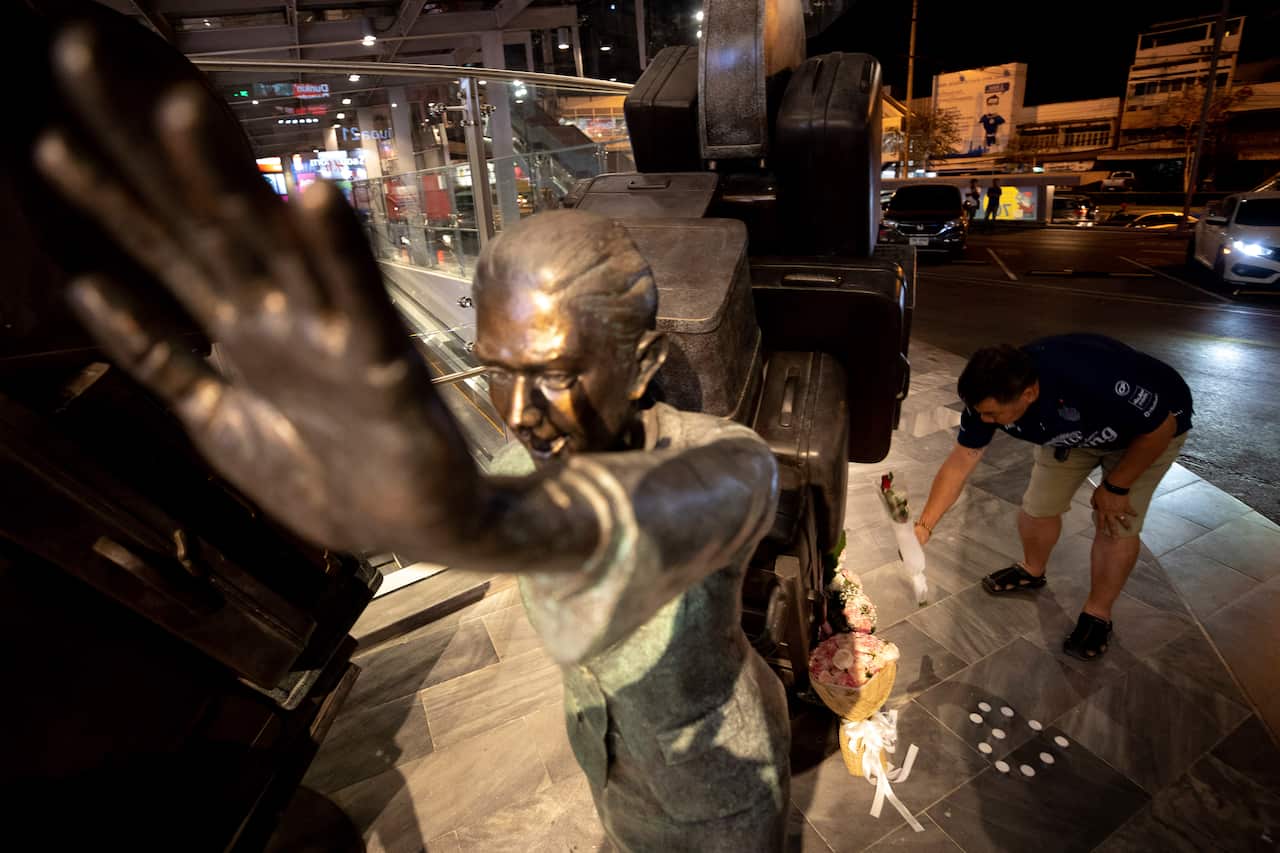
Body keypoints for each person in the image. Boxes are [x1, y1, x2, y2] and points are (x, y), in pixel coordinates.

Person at [32, 19, 790, 851]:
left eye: (558, 373)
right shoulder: (527, 457)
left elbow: (615, 542)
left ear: (643, 362)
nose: (518, 411)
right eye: (497, 368)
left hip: (720, 804)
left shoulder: (728, 461)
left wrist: (471, 524)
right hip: (612, 768)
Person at [912, 335, 1193, 662]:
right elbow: (962, 459)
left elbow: (1160, 428)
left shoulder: (1093, 377)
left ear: (1029, 393)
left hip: (1146, 433)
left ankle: (1098, 613)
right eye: (980, 413)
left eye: (992, 415)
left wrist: (1117, 486)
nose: (984, 422)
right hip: (1071, 433)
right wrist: (924, 528)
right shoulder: (988, 398)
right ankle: (1032, 570)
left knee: (1114, 524)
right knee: (1037, 507)